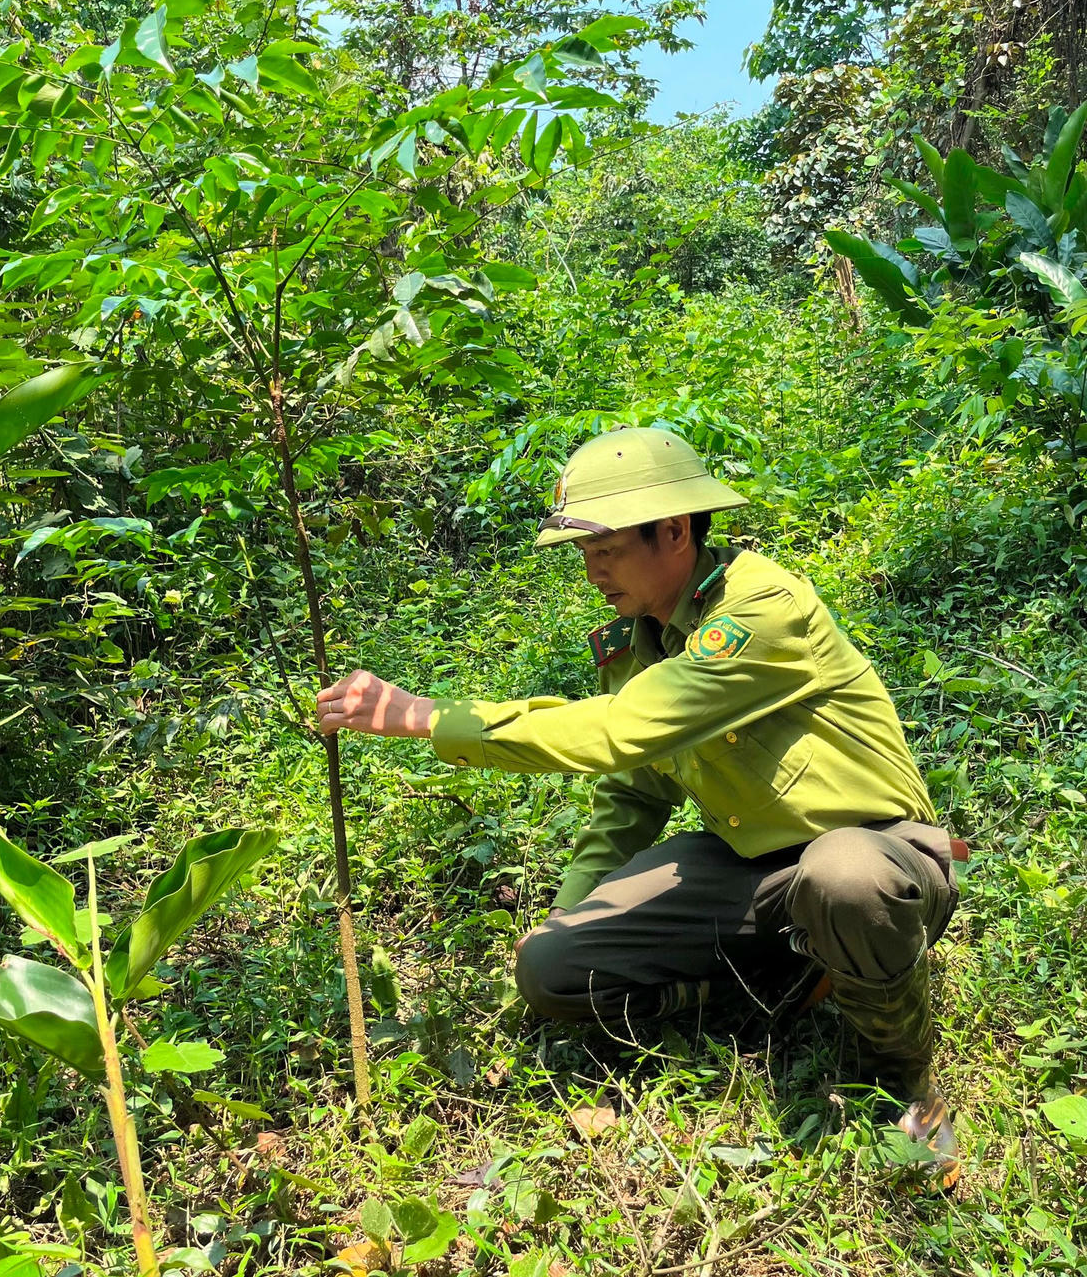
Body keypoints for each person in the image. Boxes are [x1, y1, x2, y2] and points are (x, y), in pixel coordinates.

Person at [316, 426, 961, 1182]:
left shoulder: (760, 609)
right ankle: (785, 982)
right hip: (751, 868)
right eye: (585, 554)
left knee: (843, 876)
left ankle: (900, 1076)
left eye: (608, 550)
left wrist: (431, 716)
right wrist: (565, 913)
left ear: (675, 531)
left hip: (881, 856)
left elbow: (619, 732)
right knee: (552, 968)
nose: (594, 572)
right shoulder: (637, 645)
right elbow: (633, 790)